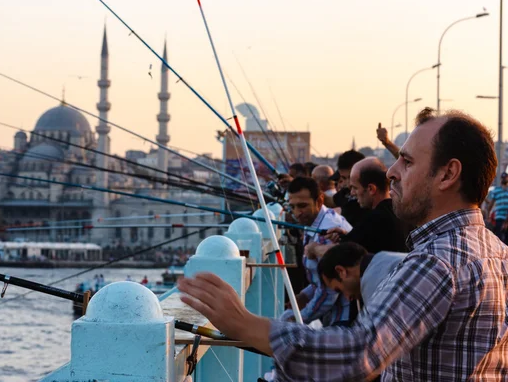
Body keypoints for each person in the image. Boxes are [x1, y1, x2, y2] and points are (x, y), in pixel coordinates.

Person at [178, 108, 508, 380]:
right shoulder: (498, 253)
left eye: (407, 162)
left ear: (447, 175)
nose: (392, 172)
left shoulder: (436, 261)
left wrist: (245, 324)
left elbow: (361, 352)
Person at [281, 177, 353, 326]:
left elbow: (329, 291)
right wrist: (304, 296)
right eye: (292, 207)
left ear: (319, 201)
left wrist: (297, 319)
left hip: (344, 319)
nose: (297, 213)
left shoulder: (327, 231)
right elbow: (319, 280)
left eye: (302, 206)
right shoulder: (318, 220)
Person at [324, 157, 409, 254]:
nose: (352, 193)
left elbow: (343, 254)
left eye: (355, 188)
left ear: (371, 189)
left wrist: (315, 249)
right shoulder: (403, 214)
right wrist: (346, 235)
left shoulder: (374, 220)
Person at [317, 242, 406, 308]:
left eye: (339, 290)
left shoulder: (373, 286)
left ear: (341, 271)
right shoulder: (386, 258)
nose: (348, 298)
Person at [331, 150, 370, 226]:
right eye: (344, 178)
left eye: (351, 177)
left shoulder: (369, 196)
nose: (348, 184)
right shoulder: (341, 195)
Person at [484, 172, 508, 241]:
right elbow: (491, 204)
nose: (504, 179)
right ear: (501, 179)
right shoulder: (496, 190)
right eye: (503, 178)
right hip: (499, 217)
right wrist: (488, 216)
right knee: (499, 239)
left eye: (505, 177)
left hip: (506, 218)